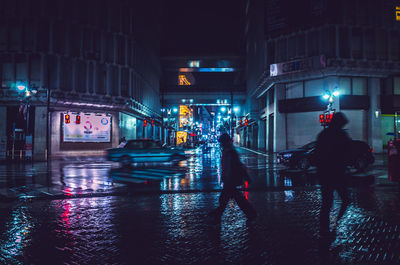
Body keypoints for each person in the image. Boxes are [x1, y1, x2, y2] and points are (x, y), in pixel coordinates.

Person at [315, 112, 352, 240]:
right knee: (345, 199)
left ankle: (324, 229)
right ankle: (336, 223)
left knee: (326, 203)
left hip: (325, 173)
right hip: (338, 173)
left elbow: (317, 154)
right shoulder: (342, 135)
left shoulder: (323, 134)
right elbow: (348, 152)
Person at [208, 133, 257, 222]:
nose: (220, 144)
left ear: (224, 142)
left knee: (226, 200)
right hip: (229, 179)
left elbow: (237, 165)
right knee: (235, 199)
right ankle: (251, 214)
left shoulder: (230, 152)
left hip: (230, 180)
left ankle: (216, 216)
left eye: (221, 142)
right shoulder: (228, 151)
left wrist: (245, 177)